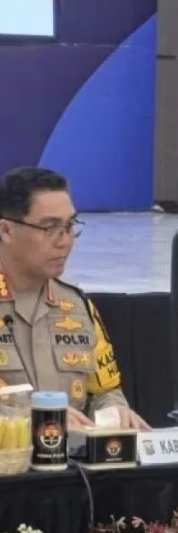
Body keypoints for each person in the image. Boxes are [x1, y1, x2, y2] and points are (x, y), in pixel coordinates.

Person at [0, 167, 149, 430]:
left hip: (70, 454)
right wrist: (32, 417)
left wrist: (114, 412)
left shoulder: (77, 306)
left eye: (69, 226)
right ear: (6, 230)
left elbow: (105, 391)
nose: (65, 241)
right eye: (50, 228)